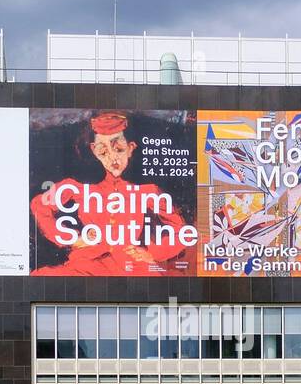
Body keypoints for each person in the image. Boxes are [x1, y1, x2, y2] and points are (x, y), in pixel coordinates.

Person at [31, 111, 192, 276]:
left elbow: (182, 232)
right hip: (86, 265)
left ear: (130, 148)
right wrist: (72, 238)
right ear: (94, 151)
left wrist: (152, 253)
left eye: (119, 149)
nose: (112, 158)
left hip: (132, 267)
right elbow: (39, 205)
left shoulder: (147, 192)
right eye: (103, 151)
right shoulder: (79, 187)